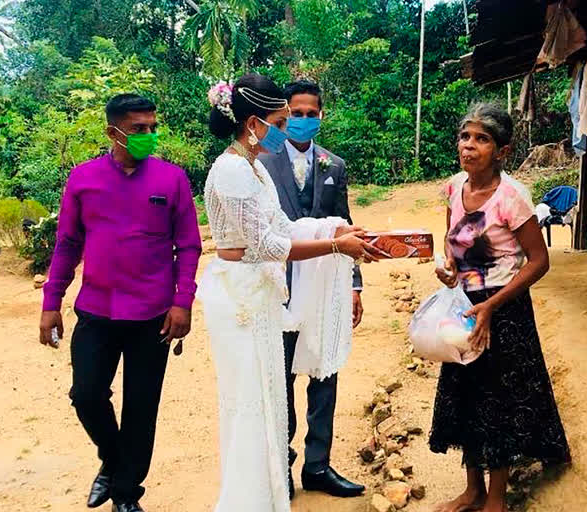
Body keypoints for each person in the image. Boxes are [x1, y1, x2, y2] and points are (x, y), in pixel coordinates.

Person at [198, 73, 378, 512]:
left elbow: (284, 226)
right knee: (256, 399)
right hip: (244, 296)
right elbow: (269, 246)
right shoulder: (231, 170)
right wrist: (336, 245)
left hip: (263, 294)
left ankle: (282, 486)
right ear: (255, 124)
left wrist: (337, 229)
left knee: (273, 397)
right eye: (280, 121)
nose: (285, 129)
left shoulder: (252, 167)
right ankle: (253, 494)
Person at [38, 94, 202, 512]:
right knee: (86, 394)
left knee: (141, 407)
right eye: (138, 129)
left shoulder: (172, 180)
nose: (149, 135)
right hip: (97, 309)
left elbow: (188, 246)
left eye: (152, 127)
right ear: (113, 132)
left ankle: (126, 495)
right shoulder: (83, 179)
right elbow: (67, 244)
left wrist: (182, 302)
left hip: (155, 315)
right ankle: (112, 462)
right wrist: (51, 300)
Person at [431, 103, 571, 512]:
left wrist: (491, 305)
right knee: (465, 394)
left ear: (502, 151)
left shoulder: (512, 198)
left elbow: (539, 261)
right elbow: (451, 238)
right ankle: (472, 489)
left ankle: (496, 497)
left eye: (482, 139)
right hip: (465, 306)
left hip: (504, 308)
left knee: (499, 401)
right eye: (465, 137)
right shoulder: (454, 187)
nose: (469, 147)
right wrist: (450, 268)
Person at [258, 79, 365, 499]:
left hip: (326, 287)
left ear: (321, 116)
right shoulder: (262, 164)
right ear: (285, 115)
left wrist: (354, 285)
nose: (303, 121)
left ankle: (318, 465)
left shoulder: (333, 165)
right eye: (295, 114)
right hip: (279, 286)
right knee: (280, 376)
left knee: (325, 373)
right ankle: (281, 466)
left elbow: (345, 223)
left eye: (310, 114)